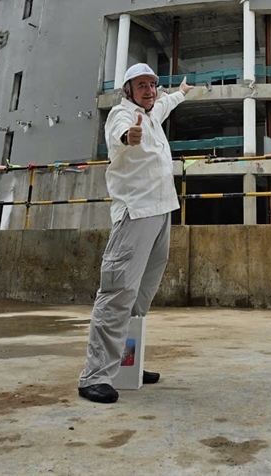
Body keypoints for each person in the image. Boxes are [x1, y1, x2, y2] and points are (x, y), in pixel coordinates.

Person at [78, 63, 193, 403]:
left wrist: (181, 94)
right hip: (136, 214)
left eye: (152, 85)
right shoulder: (122, 115)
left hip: (161, 212)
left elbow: (164, 104)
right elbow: (119, 135)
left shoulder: (153, 113)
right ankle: (94, 376)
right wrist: (130, 137)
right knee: (117, 293)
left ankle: (126, 365)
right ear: (128, 89)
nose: (149, 90)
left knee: (140, 297)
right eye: (141, 85)